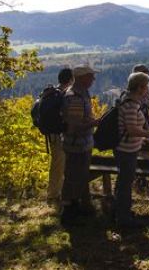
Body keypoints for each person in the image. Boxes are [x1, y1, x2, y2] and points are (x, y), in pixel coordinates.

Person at [114, 72, 149, 228]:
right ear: (140, 87)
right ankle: (123, 218)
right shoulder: (131, 104)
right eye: (146, 86)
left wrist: (142, 138)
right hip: (126, 150)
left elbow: (130, 129)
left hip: (128, 148)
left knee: (124, 182)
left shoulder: (129, 100)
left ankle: (122, 213)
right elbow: (132, 129)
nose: (147, 89)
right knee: (125, 184)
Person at [60, 65, 100, 226]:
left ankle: (80, 208)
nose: (93, 79)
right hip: (77, 145)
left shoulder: (81, 93)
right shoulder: (75, 97)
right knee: (73, 177)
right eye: (91, 76)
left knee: (79, 176)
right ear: (82, 77)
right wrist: (95, 123)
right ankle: (69, 212)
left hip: (83, 143)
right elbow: (74, 127)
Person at [47, 68, 74, 206]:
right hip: (59, 135)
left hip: (52, 134)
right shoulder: (64, 94)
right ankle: (53, 195)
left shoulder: (52, 92)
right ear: (71, 79)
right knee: (58, 165)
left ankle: (56, 193)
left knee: (57, 164)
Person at [131, 64, 149, 193]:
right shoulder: (143, 92)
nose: (148, 76)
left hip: (132, 134)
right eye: (146, 73)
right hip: (144, 130)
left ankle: (138, 182)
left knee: (135, 157)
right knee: (146, 155)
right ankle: (142, 182)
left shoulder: (127, 92)